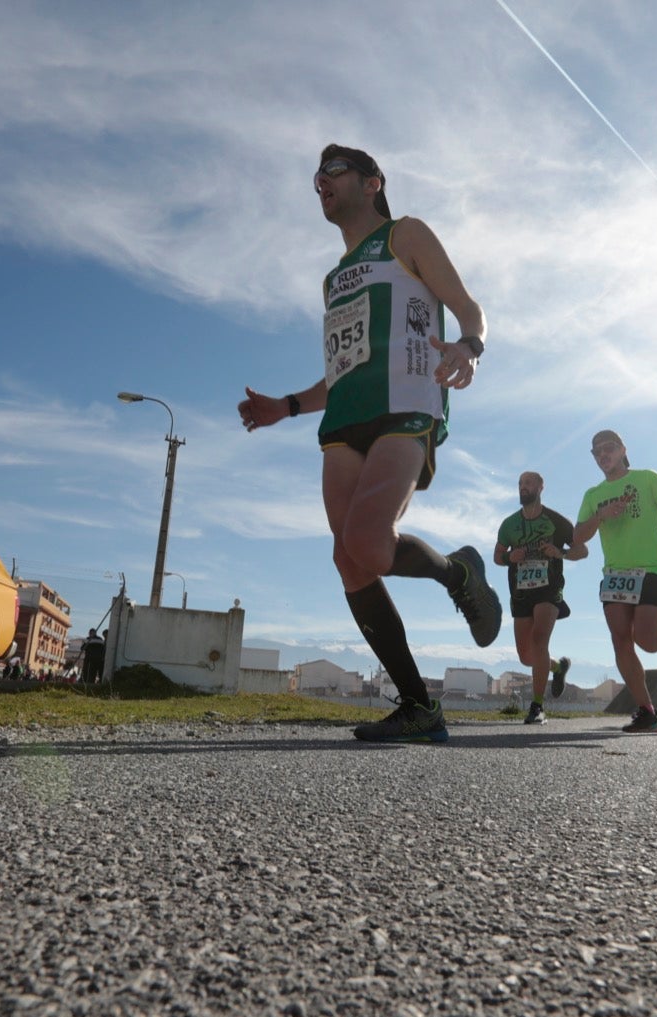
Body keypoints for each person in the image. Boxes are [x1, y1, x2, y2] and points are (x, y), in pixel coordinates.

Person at [237, 144, 499, 743]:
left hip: (407, 406)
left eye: (333, 172)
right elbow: (344, 366)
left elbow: (468, 307)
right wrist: (290, 406)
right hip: (346, 420)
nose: (320, 183)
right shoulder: (333, 279)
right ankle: (418, 707)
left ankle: (457, 573)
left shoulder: (406, 235)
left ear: (372, 181)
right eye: (316, 177)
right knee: (348, 558)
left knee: (367, 542)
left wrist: (469, 346)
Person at [572, 430, 657, 735]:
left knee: (647, 639)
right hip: (615, 575)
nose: (603, 455)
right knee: (621, 641)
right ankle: (647, 711)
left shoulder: (647, 478)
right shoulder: (592, 495)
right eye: (596, 451)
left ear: (623, 449)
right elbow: (578, 537)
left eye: (608, 448)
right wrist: (600, 516)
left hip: (651, 569)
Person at [494, 470, 585, 724]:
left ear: (541, 487)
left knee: (539, 639)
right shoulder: (509, 524)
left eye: (528, 482)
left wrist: (560, 553)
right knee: (526, 656)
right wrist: (509, 558)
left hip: (549, 589)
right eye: (520, 483)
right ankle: (558, 667)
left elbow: (582, 550)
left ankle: (537, 707)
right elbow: (497, 555)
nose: (523, 487)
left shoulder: (557, 521)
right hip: (521, 593)